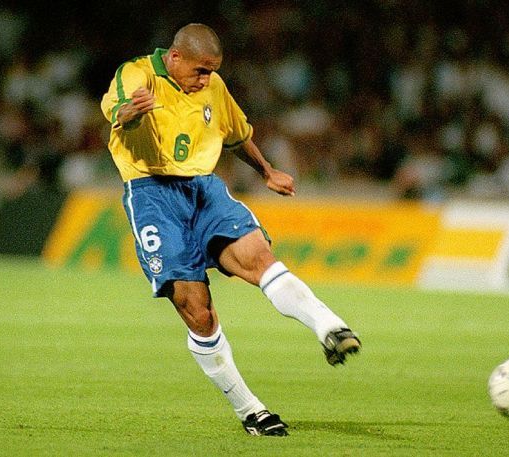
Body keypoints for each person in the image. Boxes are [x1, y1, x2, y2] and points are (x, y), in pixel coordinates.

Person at [100, 23, 360, 437]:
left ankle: (329, 326)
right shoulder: (137, 74)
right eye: (201, 70)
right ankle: (250, 409)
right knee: (197, 310)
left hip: (204, 189)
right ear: (175, 56)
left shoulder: (213, 87)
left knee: (260, 257)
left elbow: (236, 135)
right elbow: (118, 114)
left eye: (212, 71)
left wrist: (267, 170)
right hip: (153, 196)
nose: (206, 79)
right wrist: (129, 114)